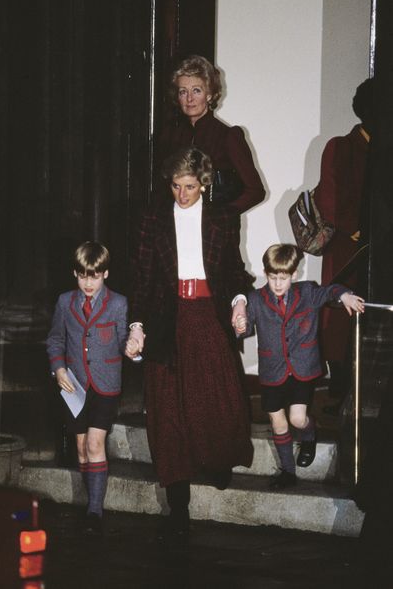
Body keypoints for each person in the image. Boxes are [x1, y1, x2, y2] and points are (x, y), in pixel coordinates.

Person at [125, 147, 254, 544]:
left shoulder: (222, 218)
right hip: (168, 317)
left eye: (191, 187)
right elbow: (143, 279)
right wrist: (137, 326)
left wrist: (239, 304)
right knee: (168, 412)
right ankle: (178, 504)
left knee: (216, 396)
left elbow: (233, 271)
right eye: (177, 186)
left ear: (205, 184)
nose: (182, 195)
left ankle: (217, 461)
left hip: (206, 314)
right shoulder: (153, 219)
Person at [234, 244, 365, 489]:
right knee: (277, 422)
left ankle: (309, 434)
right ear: (266, 273)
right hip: (272, 371)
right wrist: (240, 327)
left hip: (303, 369)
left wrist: (344, 295)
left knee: (297, 419)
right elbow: (244, 327)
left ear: (294, 274)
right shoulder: (255, 299)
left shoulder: (307, 292)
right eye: (273, 278)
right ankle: (287, 472)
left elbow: (330, 291)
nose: (278, 283)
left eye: (283, 278)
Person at [46, 241, 130, 533]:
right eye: (82, 276)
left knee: (95, 444)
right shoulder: (64, 302)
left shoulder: (118, 303)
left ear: (105, 274)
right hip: (73, 386)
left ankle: (95, 510)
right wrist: (58, 369)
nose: (88, 283)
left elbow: (123, 342)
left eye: (94, 276)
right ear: (75, 273)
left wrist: (133, 348)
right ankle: (91, 496)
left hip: (106, 386)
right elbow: (55, 339)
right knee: (82, 448)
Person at [314, 78, 374, 407]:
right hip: (347, 248)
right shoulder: (341, 146)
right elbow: (329, 199)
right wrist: (354, 230)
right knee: (340, 316)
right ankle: (339, 390)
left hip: (378, 248)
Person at [157, 55, 265, 213]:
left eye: (196, 90)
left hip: (216, 232)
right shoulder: (169, 135)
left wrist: (224, 216)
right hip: (178, 225)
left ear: (209, 94)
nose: (189, 98)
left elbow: (256, 191)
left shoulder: (228, 136)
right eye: (183, 92)